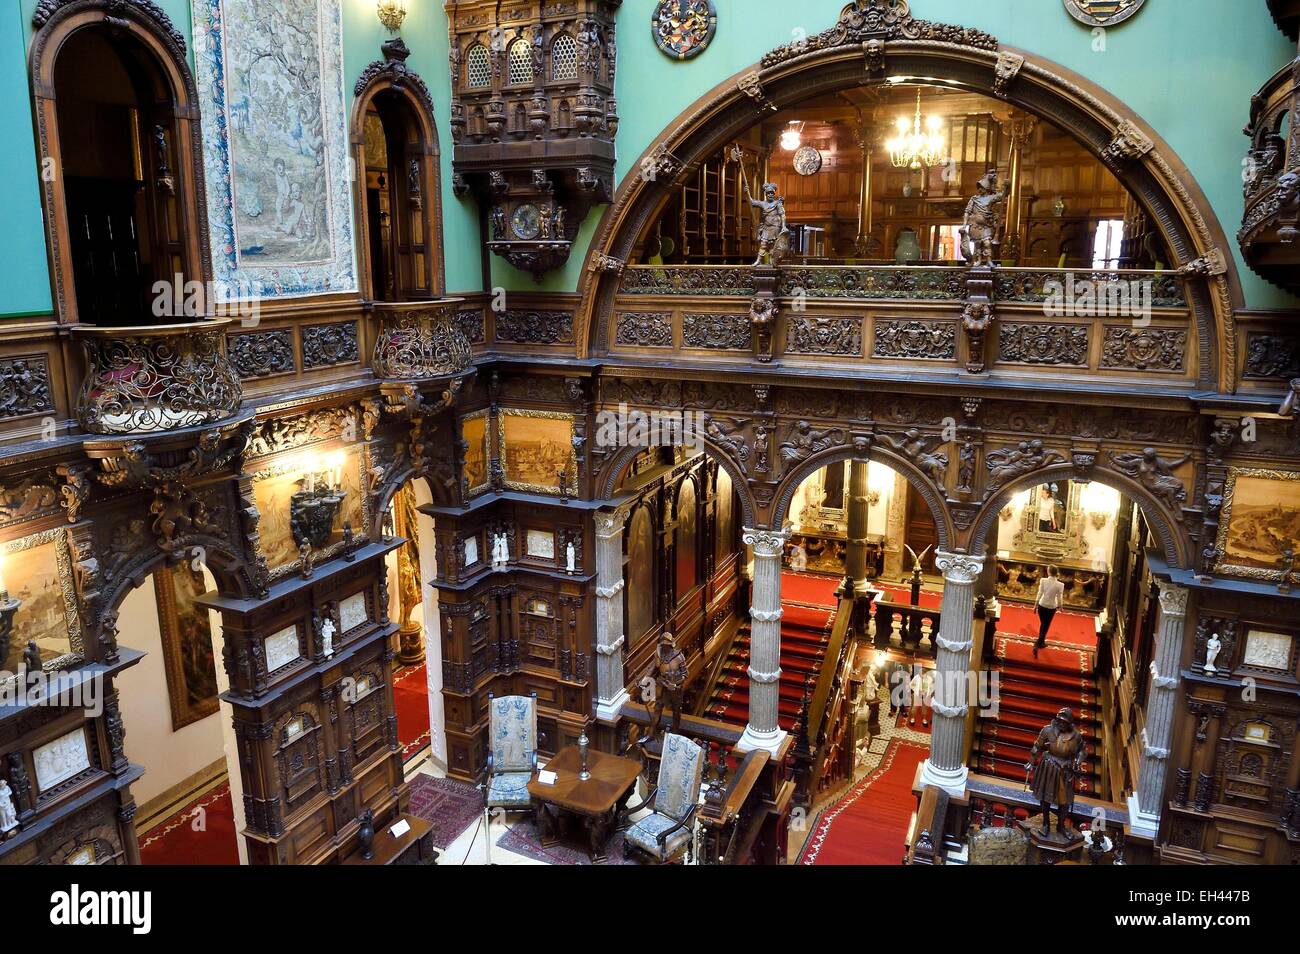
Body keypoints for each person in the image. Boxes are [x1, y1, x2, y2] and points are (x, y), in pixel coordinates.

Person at [1034, 565, 1065, 655]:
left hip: (1041, 605)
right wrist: (1061, 607)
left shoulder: (1043, 580)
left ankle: (1040, 641)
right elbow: (1060, 597)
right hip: (1051, 607)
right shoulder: (1060, 585)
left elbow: (1039, 593)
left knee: (1043, 624)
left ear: (1049, 572)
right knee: (1045, 625)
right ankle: (1038, 643)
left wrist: (1035, 605)